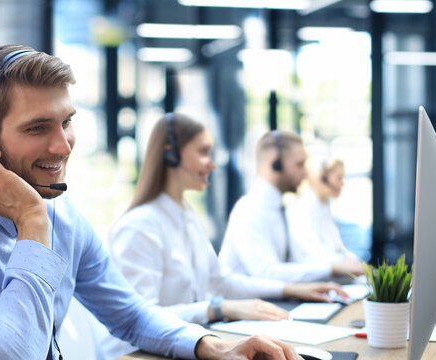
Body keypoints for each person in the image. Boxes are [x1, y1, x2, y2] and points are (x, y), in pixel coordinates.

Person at [0, 44, 304, 360]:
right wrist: (32, 223)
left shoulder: (62, 216)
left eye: (67, 121)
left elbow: (130, 314)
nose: (62, 145)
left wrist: (211, 347)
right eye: (37, 128)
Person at [101, 114, 346, 359]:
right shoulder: (139, 226)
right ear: (171, 154)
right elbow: (142, 319)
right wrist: (218, 308)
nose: (212, 163)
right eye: (203, 151)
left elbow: (221, 281)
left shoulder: (186, 215)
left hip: (185, 347)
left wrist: (292, 289)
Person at [218, 131, 363, 283]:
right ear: (276, 164)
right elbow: (266, 273)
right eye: (300, 164)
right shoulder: (248, 210)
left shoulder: (279, 209)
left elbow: (297, 264)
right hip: (243, 305)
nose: (306, 172)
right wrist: (332, 267)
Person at [286, 158, 360, 264]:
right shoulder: (301, 208)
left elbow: (339, 249)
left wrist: (359, 265)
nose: (342, 184)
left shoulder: (323, 208)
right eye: (339, 178)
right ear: (322, 178)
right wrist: (351, 265)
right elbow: (313, 256)